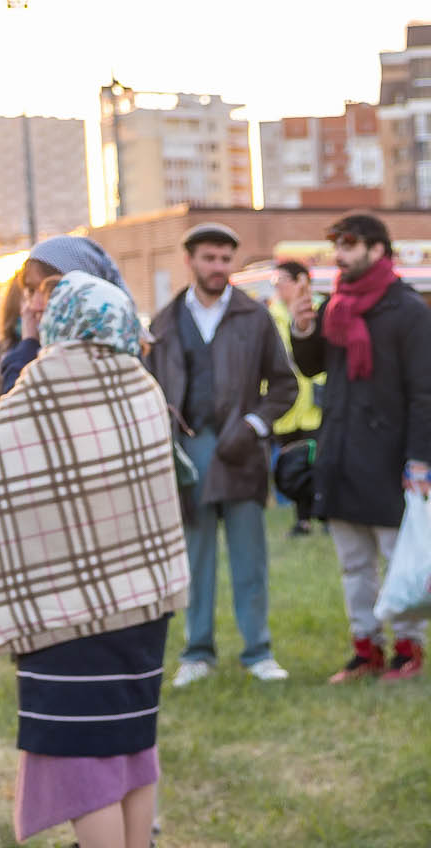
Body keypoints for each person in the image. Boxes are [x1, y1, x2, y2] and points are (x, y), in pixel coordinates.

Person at [0, 274, 185, 848]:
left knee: (82, 752)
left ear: (63, 323)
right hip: (145, 599)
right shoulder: (141, 386)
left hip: (67, 605)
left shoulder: (48, 383)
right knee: (132, 743)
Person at [285, 213, 431, 683]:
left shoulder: (409, 310)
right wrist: (303, 329)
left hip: (390, 455)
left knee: (401, 559)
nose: (340, 253)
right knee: (354, 564)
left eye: (349, 243)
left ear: (378, 249)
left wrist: (419, 460)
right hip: (339, 450)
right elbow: (316, 369)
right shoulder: (337, 303)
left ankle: (408, 649)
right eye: (336, 243)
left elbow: (423, 395)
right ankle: (365, 649)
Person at [146, 222, 296, 688]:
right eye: (209, 258)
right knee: (195, 556)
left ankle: (258, 651)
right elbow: (147, 387)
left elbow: (285, 385)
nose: (218, 267)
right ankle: (197, 651)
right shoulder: (165, 322)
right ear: (189, 260)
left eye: (225, 259)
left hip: (241, 451)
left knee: (250, 556)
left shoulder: (254, 317)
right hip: (188, 452)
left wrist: (255, 425)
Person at [0, 234, 127, 401]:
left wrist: (28, 348)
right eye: (31, 290)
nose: (35, 305)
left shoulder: (110, 365)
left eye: (50, 290)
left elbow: (17, 413)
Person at [267, 259, 322, 537]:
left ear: (301, 280)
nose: (277, 288)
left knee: (321, 461)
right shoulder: (270, 315)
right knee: (293, 464)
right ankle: (302, 519)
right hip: (287, 406)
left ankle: (325, 516)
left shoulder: (321, 308)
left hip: (316, 404)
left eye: (282, 281)